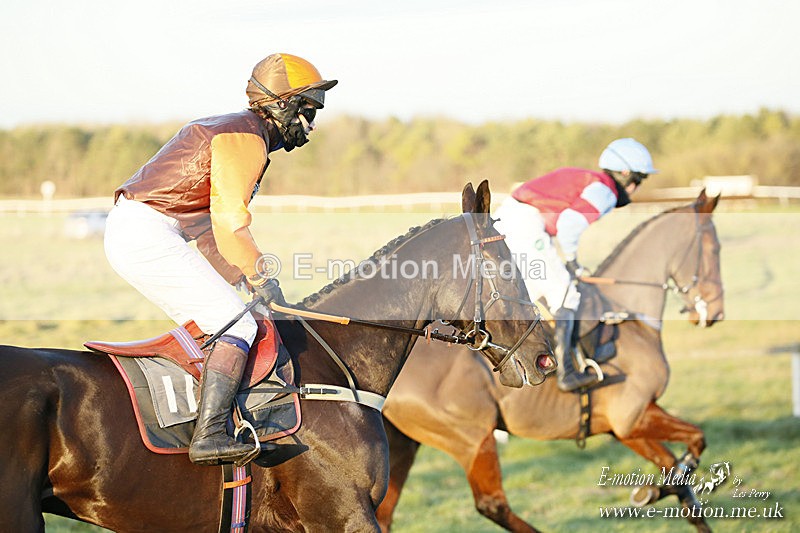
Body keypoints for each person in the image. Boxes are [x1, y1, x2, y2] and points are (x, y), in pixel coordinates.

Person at [104, 53, 337, 466]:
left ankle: (202, 414)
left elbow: (205, 227)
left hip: (146, 230)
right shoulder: (245, 138)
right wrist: (260, 274)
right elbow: (230, 222)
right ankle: (209, 435)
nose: (311, 124)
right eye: (308, 110)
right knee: (238, 323)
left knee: (227, 316)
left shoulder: (238, 132)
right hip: (147, 234)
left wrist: (242, 279)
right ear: (283, 104)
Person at [494, 138, 657, 392]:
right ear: (625, 174)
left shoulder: (592, 180)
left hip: (514, 219)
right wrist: (572, 262)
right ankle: (567, 372)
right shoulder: (604, 191)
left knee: (541, 291)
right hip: (524, 223)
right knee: (565, 291)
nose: (635, 188)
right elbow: (570, 225)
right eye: (638, 179)